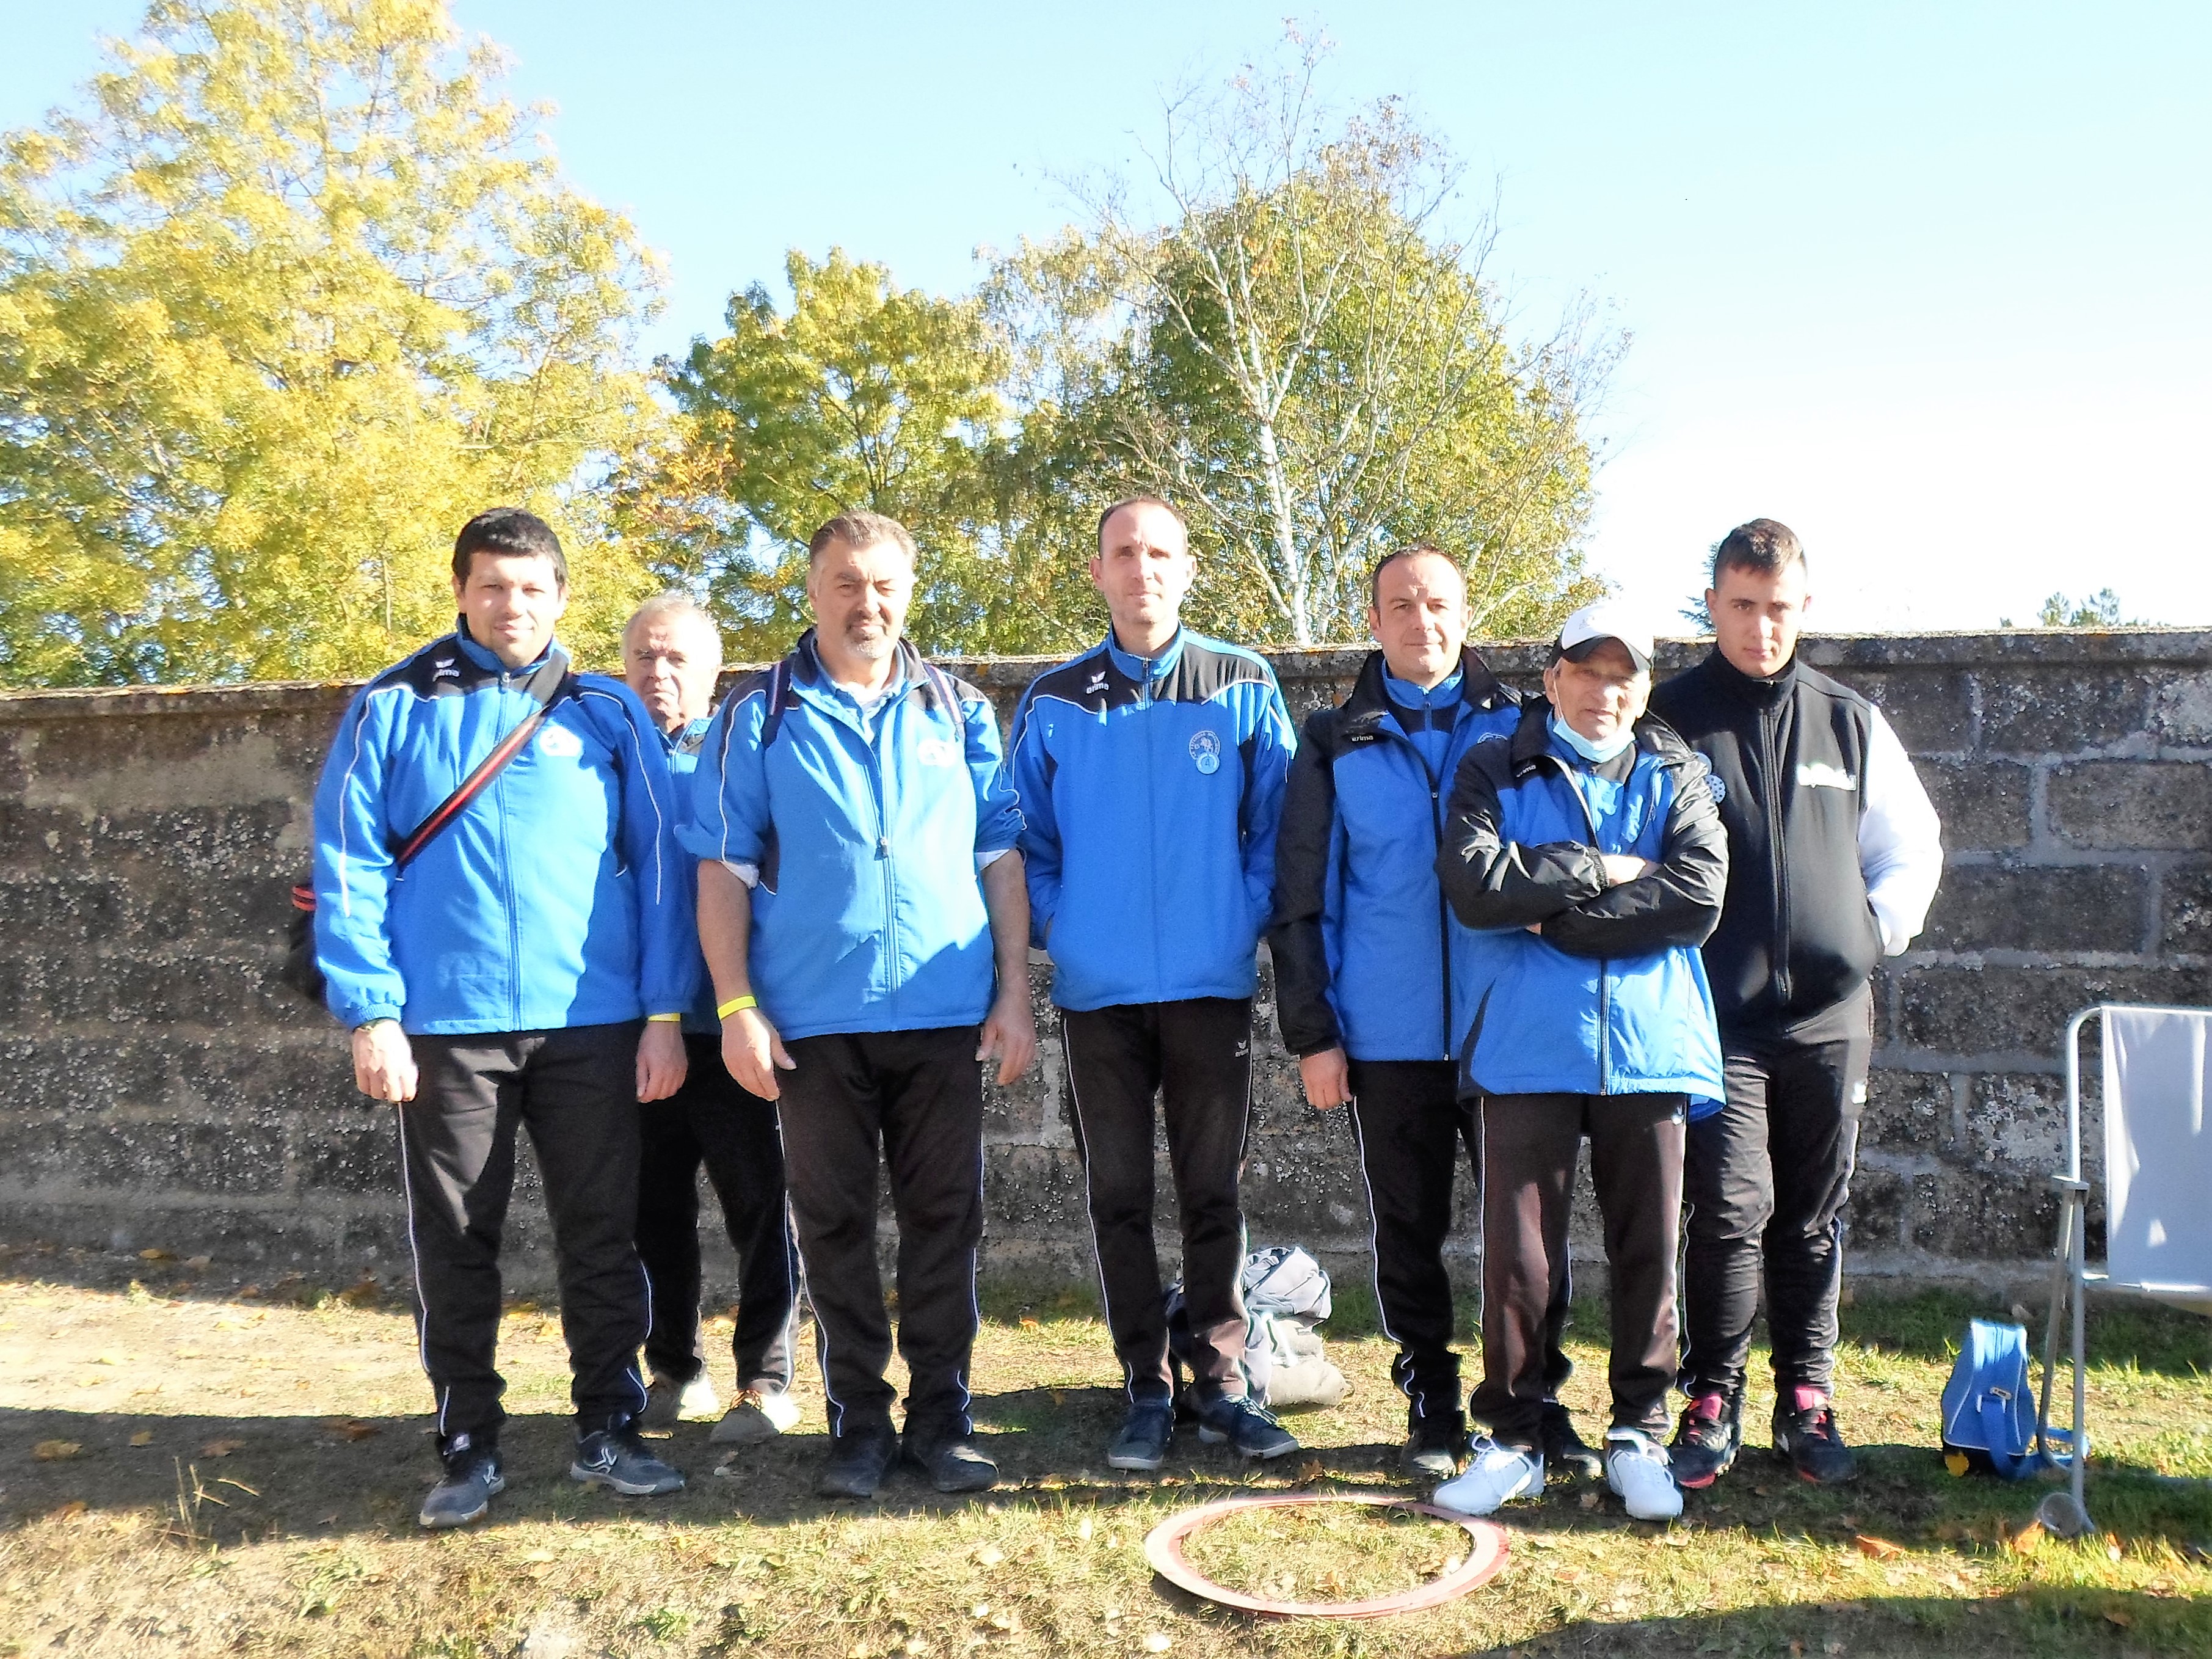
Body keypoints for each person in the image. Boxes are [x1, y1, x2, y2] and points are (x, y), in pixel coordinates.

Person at [312, 507, 697, 1530]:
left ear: (562, 597)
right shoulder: (391, 705)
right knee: (454, 1238)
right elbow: (346, 864)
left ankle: (610, 1428)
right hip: (445, 1026)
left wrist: (664, 1013)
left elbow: (663, 872)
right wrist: (371, 1014)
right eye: (492, 585)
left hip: (596, 1022)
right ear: (461, 591)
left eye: (531, 588)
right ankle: (468, 1440)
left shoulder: (606, 712)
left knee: (604, 1236)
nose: (511, 605)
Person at [680, 510, 1036, 1500]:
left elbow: (998, 855)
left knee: (943, 1220)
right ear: (812, 591)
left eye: (883, 584)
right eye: (846, 583)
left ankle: (943, 1421)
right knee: (830, 1224)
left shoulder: (958, 710)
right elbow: (721, 867)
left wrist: (1014, 992)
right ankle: (857, 1426)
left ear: (907, 592)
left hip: (942, 1013)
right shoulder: (756, 716)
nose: (865, 603)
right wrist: (737, 1005)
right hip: (811, 1022)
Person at [1268, 545, 1596, 1482]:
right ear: (1373, 623)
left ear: (1466, 615)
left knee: (1529, 1235)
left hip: (1510, 1029)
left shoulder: (1525, 727)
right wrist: (1316, 1035)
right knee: (1406, 1225)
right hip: (1389, 1034)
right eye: (1401, 606)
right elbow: (1302, 899)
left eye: (1439, 604)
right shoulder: (1334, 739)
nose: (1422, 622)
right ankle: (1430, 1398)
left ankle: (1535, 1401)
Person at [1009, 495, 1299, 1471]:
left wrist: (1236, 915)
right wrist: (1072, 928)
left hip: (1210, 986)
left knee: (1212, 1189)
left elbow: (1278, 829)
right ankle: (1143, 1381)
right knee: (1120, 1193)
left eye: (1160, 552)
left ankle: (1220, 1377)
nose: (1143, 569)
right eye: (1124, 553)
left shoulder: (1243, 683)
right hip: (1099, 994)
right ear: (1097, 572)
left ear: (1186, 567)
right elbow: (1023, 840)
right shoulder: (1052, 700)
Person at [1650, 519, 1942, 1488]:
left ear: (1802, 609)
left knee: (1811, 1211)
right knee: (1727, 1208)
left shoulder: (1848, 720)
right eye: (1741, 606)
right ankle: (1712, 1394)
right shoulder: (1667, 718)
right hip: (1713, 1018)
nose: (1759, 627)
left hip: (1827, 1016)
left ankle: (1805, 1395)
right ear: (1712, 605)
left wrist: (1871, 934)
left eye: (1777, 609)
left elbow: (1911, 849)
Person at [1433, 601, 1728, 1522]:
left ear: (1643, 688)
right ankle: (1514, 1436)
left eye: (1624, 676)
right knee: (1520, 1261)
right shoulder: (1492, 761)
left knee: (1649, 1249)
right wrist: (1604, 870)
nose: (1605, 691)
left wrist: (1550, 909)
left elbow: (1695, 897)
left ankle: (1637, 1432)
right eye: (1587, 671)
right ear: (1552, 675)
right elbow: (1476, 889)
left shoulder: (1676, 769)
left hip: (1650, 1047)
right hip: (1526, 1044)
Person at [619, 592, 802, 1446]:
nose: (659, 674)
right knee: (650, 1210)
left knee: (761, 1206)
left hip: (731, 1021)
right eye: (645, 658)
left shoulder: (744, 749)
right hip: (633, 1027)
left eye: (677, 659)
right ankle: (673, 1372)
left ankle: (766, 1380)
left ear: (712, 672)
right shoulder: (604, 748)